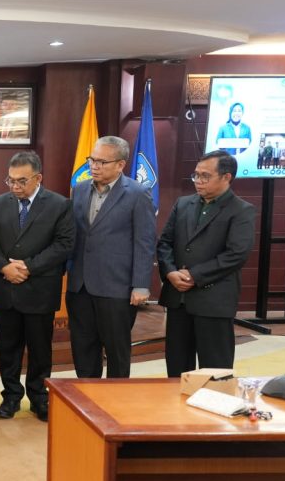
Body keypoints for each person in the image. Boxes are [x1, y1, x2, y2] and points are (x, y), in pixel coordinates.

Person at [0, 152, 73, 422]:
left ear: (38, 178)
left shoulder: (59, 205)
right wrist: (4, 267)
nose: (15, 186)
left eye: (21, 181)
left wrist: (28, 267)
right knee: (7, 348)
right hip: (5, 287)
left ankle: (39, 397)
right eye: (10, 180)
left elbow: (64, 244)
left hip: (39, 289)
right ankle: (11, 396)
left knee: (40, 349)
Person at [157, 150, 256, 376]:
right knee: (177, 368)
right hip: (178, 299)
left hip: (213, 301)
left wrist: (194, 276)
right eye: (196, 175)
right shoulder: (183, 204)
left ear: (226, 177)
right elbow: (164, 243)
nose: (198, 181)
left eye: (205, 176)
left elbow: (236, 254)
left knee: (215, 371)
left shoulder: (241, 210)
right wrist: (170, 272)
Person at [66, 136, 156, 379]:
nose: (94, 166)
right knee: (83, 348)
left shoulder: (138, 194)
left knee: (117, 351)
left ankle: (116, 398)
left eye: (102, 162)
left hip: (117, 287)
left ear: (120, 165)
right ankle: (86, 396)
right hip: (80, 285)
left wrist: (141, 284)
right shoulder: (80, 189)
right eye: (92, 160)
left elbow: (145, 242)